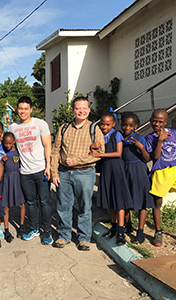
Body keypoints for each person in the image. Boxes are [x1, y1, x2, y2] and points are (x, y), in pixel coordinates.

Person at [51, 96, 105, 251]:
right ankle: (64, 235)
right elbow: (55, 152)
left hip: (85, 173)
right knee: (63, 205)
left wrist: (77, 161)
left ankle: (83, 238)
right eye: (78, 108)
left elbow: (100, 153)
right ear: (73, 110)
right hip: (64, 173)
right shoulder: (64, 128)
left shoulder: (94, 129)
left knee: (84, 206)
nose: (81, 111)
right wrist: (54, 173)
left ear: (89, 110)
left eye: (84, 108)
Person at [146, 109, 176, 246]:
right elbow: (155, 156)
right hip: (160, 173)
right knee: (157, 203)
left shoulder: (175, 134)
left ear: (165, 122)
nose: (157, 124)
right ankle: (158, 232)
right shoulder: (149, 138)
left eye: (160, 121)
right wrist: (160, 141)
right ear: (151, 120)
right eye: (154, 120)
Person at [8, 96, 52, 244]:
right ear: (17, 109)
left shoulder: (40, 124)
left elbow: (47, 145)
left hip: (41, 170)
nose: (23, 111)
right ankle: (34, 228)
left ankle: (47, 232)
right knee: (31, 203)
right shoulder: (12, 127)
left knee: (45, 202)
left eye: (26, 108)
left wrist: (48, 166)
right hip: (25, 172)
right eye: (20, 108)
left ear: (31, 110)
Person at [91, 111, 133, 246]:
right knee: (110, 200)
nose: (104, 127)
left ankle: (121, 231)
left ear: (113, 124)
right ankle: (114, 227)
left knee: (119, 201)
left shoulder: (117, 134)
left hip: (117, 170)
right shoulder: (100, 136)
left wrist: (100, 154)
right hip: (106, 170)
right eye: (102, 124)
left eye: (108, 124)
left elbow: (118, 152)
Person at [120, 112, 154, 244]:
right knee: (125, 199)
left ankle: (140, 231)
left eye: (130, 125)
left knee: (142, 202)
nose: (127, 127)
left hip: (139, 171)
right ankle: (128, 224)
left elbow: (147, 159)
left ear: (136, 126)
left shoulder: (140, 138)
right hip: (125, 170)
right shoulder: (120, 138)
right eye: (125, 125)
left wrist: (141, 148)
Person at [1, 132, 25, 241]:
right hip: (7, 180)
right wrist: (3, 161)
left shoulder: (18, 152)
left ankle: (21, 226)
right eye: (6, 143)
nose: (7, 145)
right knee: (5, 205)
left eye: (10, 143)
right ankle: (6, 229)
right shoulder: (3, 154)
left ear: (14, 142)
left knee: (21, 204)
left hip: (17, 180)